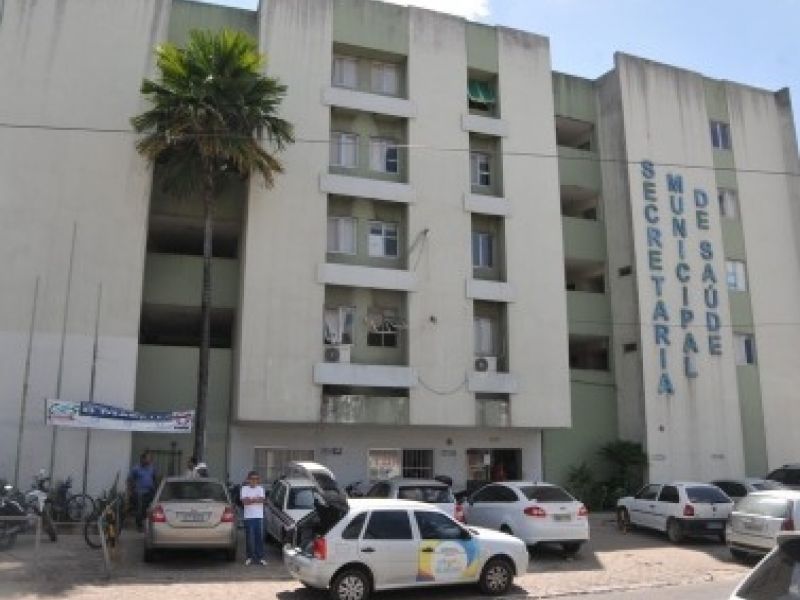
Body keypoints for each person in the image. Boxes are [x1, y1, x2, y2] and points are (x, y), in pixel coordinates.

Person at [240, 470, 266, 566]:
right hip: (248, 517)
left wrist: (250, 499)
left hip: (259, 517)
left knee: (259, 538)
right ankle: (249, 557)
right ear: (248, 479)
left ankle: (260, 557)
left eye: (256, 479)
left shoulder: (261, 489)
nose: (254, 481)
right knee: (249, 538)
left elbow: (262, 500)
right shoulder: (244, 489)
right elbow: (244, 502)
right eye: (252, 479)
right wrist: (256, 499)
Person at [128, 452, 157, 531]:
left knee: (149, 509)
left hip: (150, 492)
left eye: (150, 458)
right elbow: (130, 480)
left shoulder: (151, 468)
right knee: (140, 509)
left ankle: (148, 525)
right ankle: (139, 525)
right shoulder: (136, 469)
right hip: (140, 492)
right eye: (148, 458)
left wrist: (155, 489)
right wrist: (130, 491)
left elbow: (154, 479)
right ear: (142, 459)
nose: (149, 460)